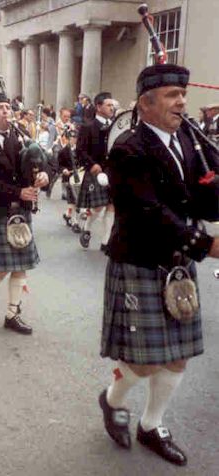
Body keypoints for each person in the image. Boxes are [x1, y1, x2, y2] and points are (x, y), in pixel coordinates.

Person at [99, 63, 219, 466]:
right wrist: (206, 244)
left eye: (183, 93)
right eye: (171, 95)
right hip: (141, 259)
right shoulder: (128, 149)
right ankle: (112, 399)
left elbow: (199, 195)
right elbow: (147, 213)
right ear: (145, 104)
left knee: (178, 354)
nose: (182, 101)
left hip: (177, 261)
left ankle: (152, 424)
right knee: (143, 361)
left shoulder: (187, 137)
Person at [0, 92, 50, 335]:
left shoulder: (21, 140)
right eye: (0, 108)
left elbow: (43, 163)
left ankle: (12, 314)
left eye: (8, 107)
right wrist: (18, 192)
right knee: (3, 268)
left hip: (22, 211)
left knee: (20, 266)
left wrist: (44, 175)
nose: (6, 111)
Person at [76, 92, 115, 251]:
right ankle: (87, 228)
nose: (112, 108)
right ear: (98, 107)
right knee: (98, 207)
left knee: (112, 205)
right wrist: (91, 165)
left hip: (112, 171)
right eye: (108, 105)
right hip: (95, 171)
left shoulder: (115, 126)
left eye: (113, 105)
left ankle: (106, 242)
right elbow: (80, 151)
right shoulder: (88, 126)